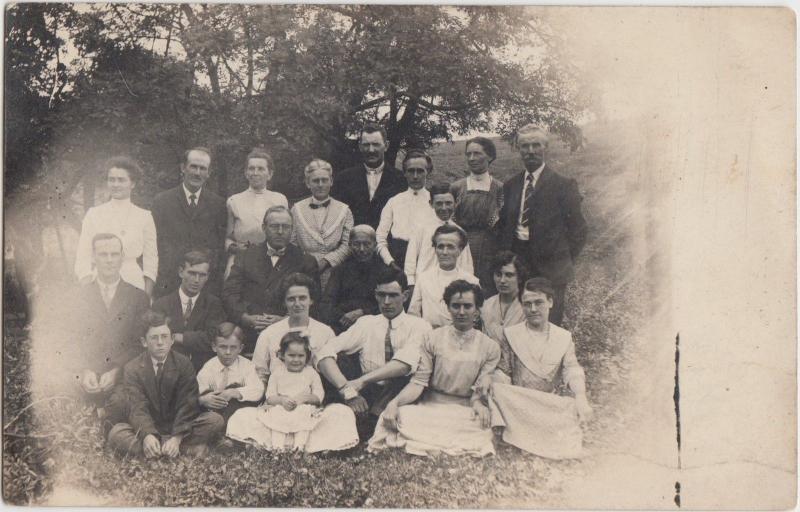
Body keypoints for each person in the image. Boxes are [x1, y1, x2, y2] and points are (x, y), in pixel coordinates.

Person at [368, 280, 500, 457]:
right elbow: (418, 382)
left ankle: (426, 441)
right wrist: (395, 403)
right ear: (448, 308)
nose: (461, 312)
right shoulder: (432, 339)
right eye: (456, 306)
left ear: (477, 310)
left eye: (467, 306)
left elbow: (479, 389)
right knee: (403, 415)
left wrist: (480, 404)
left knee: (480, 426)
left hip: (464, 408)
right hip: (431, 406)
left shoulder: (490, 347)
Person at [316, 267, 432, 439]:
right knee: (339, 360)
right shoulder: (366, 323)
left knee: (398, 383)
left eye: (393, 295)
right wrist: (347, 390)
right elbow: (324, 353)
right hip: (366, 392)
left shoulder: (420, 326)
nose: (386, 302)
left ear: (405, 296)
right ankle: (358, 421)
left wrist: (360, 382)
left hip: (399, 390)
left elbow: (404, 364)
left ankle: (368, 424)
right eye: (381, 295)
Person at [489, 277, 592, 459]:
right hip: (518, 401)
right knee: (494, 389)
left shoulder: (563, 337)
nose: (533, 309)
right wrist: (495, 388)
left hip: (546, 403)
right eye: (527, 304)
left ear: (550, 302)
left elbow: (572, 369)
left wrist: (581, 396)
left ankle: (531, 436)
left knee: (568, 407)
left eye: (538, 302)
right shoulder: (512, 334)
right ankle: (521, 433)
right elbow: (504, 370)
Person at [497, 124, 588, 326]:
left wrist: (563, 258)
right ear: (518, 149)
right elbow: (505, 224)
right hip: (518, 261)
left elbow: (579, 230)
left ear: (545, 148)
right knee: (517, 319)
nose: (530, 151)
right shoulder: (511, 185)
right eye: (525, 146)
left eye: (536, 145)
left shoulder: (563, 185)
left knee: (549, 322)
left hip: (552, 266)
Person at [107, 310, 225, 458]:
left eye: (164, 337)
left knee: (215, 420)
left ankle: (164, 449)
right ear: (144, 342)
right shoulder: (132, 368)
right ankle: (185, 450)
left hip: (178, 425)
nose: (160, 343)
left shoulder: (184, 363)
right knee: (117, 433)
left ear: (172, 339)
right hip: (149, 424)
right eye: (154, 338)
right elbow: (137, 407)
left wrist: (176, 437)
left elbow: (188, 404)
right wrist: (147, 435)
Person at [226, 332, 359, 452]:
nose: (296, 360)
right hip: (280, 409)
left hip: (305, 410)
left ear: (307, 356)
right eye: (291, 355)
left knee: (332, 413)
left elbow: (319, 397)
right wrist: (282, 401)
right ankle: (277, 448)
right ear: (282, 355)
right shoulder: (277, 373)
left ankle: (300, 448)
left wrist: (304, 399)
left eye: (301, 356)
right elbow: (270, 397)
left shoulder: (311, 373)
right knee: (246, 415)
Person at [72, 233, 150, 416]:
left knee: (121, 404)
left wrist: (116, 370)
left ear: (122, 257)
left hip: (122, 375)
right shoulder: (77, 296)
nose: (109, 260)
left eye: (114, 254)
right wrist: (84, 370)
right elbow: (70, 340)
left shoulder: (138, 297)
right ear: (93, 257)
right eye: (103, 254)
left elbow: (140, 343)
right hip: (85, 374)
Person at [222, 205, 319, 352]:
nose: (280, 231)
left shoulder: (305, 261)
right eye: (274, 226)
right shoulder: (246, 256)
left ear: (292, 229)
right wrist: (245, 318)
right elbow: (230, 293)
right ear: (264, 227)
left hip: (290, 334)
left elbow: (315, 301)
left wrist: (286, 320)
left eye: (285, 227)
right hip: (249, 331)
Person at [74, 156, 157, 295]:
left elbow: (151, 261)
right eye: (111, 179)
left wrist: (145, 297)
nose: (115, 184)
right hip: (99, 285)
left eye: (121, 180)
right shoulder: (94, 214)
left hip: (133, 282)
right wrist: (88, 291)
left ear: (133, 183)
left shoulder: (144, 217)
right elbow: (82, 257)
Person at [151, 147, 227, 298]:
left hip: (204, 284)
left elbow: (219, 246)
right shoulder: (162, 201)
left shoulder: (218, 204)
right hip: (169, 282)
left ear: (208, 173)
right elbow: (156, 243)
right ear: (183, 168)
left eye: (202, 168)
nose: (197, 173)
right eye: (193, 166)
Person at [251, 273, 334, 382]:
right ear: (284, 302)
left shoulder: (325, 332)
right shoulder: (269, 333)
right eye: (291, 299)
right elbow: (259, 374)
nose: (297, 304)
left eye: (302, 298)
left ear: (311, 300)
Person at [152, 250, 225, 372]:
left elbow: (214, 338)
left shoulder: (213, 304)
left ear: (207, 277)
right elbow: (157, 340)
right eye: (192, 273)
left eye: (202, 275)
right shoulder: (162, 304)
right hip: (168, 369)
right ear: (181, 272)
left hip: (202, 370)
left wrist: (180, 337)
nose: (196, 280)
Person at [449, 137, 504, 293]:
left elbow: (502, 222)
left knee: (488, 290)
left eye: (477, 153)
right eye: (468, 154)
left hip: (490, 249)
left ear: (490, 156)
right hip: (461, 247)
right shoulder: (456, 187)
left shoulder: (500, 188)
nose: (472, 158)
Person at [224, 149, 288, 279]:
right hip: (240, 259)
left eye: (260, 169)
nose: (255, 173)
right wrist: (236, 249)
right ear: (246, 173)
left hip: (271, 259)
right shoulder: (234, 201)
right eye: (251, 169)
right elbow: (227, 237)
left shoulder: (280, 199)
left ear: (269, 174)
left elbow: (286, 233)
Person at [290, 159, 354, 288]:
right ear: (308, 183)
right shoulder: (296, 209)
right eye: (315, 180)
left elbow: (348, 244)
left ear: (331, 181)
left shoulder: (344, 210)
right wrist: (306, 263)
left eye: (324, 180)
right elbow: (292, 241)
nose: (320, 184)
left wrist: (327, 261)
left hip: (335, 271)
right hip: (304, 271)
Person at [331, 123, 406, 228]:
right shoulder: (343, 179)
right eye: (366, 145)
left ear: (386, 146)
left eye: (376, 144)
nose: (371, 150)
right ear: (360, 147)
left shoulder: (401, 180)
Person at [320, 225, 390, 333]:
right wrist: (344, 317)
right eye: (356, 244)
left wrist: (363, 313)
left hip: (374, 328)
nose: (361, 249)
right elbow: (326, 304)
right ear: (349, 245)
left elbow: (389, 304)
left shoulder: (385, 272)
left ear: (375, 245)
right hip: (343, 327)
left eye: (367, 244)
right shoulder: (339, 271)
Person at [404, 182, 474, 291]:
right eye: (439, 203)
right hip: (426, 286)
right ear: (431, 204)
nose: (444, 208)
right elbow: (411, 259)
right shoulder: (421, 228)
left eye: (448, 203)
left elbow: (467, 265)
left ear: (456, 203)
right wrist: (411, 284)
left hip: (453, 288)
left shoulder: (460, 232)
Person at [408, 224, 480, 328]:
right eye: (440, 247)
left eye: (450, 247)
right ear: (435, 249)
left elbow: (476, 318)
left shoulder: (471, 281)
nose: (444, 252)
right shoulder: (424, 279)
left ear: (460, 250)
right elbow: (413, 314)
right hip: (429, 337)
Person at [375, 149, 435, 270]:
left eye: (420, 171)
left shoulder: (435, 202)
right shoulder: (394, 201)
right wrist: (390, 261)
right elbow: (380, 237)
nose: (415, 176)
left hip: (426, 260)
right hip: (396, 260)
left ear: (427, 172)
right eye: (411, 171)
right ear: (404, 173)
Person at [196, 322, 264, 425]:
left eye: (233, 347)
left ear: (240, 348)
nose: (228, 352)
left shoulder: (247, 366)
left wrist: (234, 392)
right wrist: (204, 399)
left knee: (236, 388)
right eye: (223, 347)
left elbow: (258, 390)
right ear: (214, 347)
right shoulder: (208, 368)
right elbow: (197, 392)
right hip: (216, 411)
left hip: (239, 412)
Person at [480, 251, 527, 344]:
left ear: (520, 278)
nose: (502, 280)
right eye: (498, 274)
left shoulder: (528, 306)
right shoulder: (486, 305)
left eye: (509, 275)